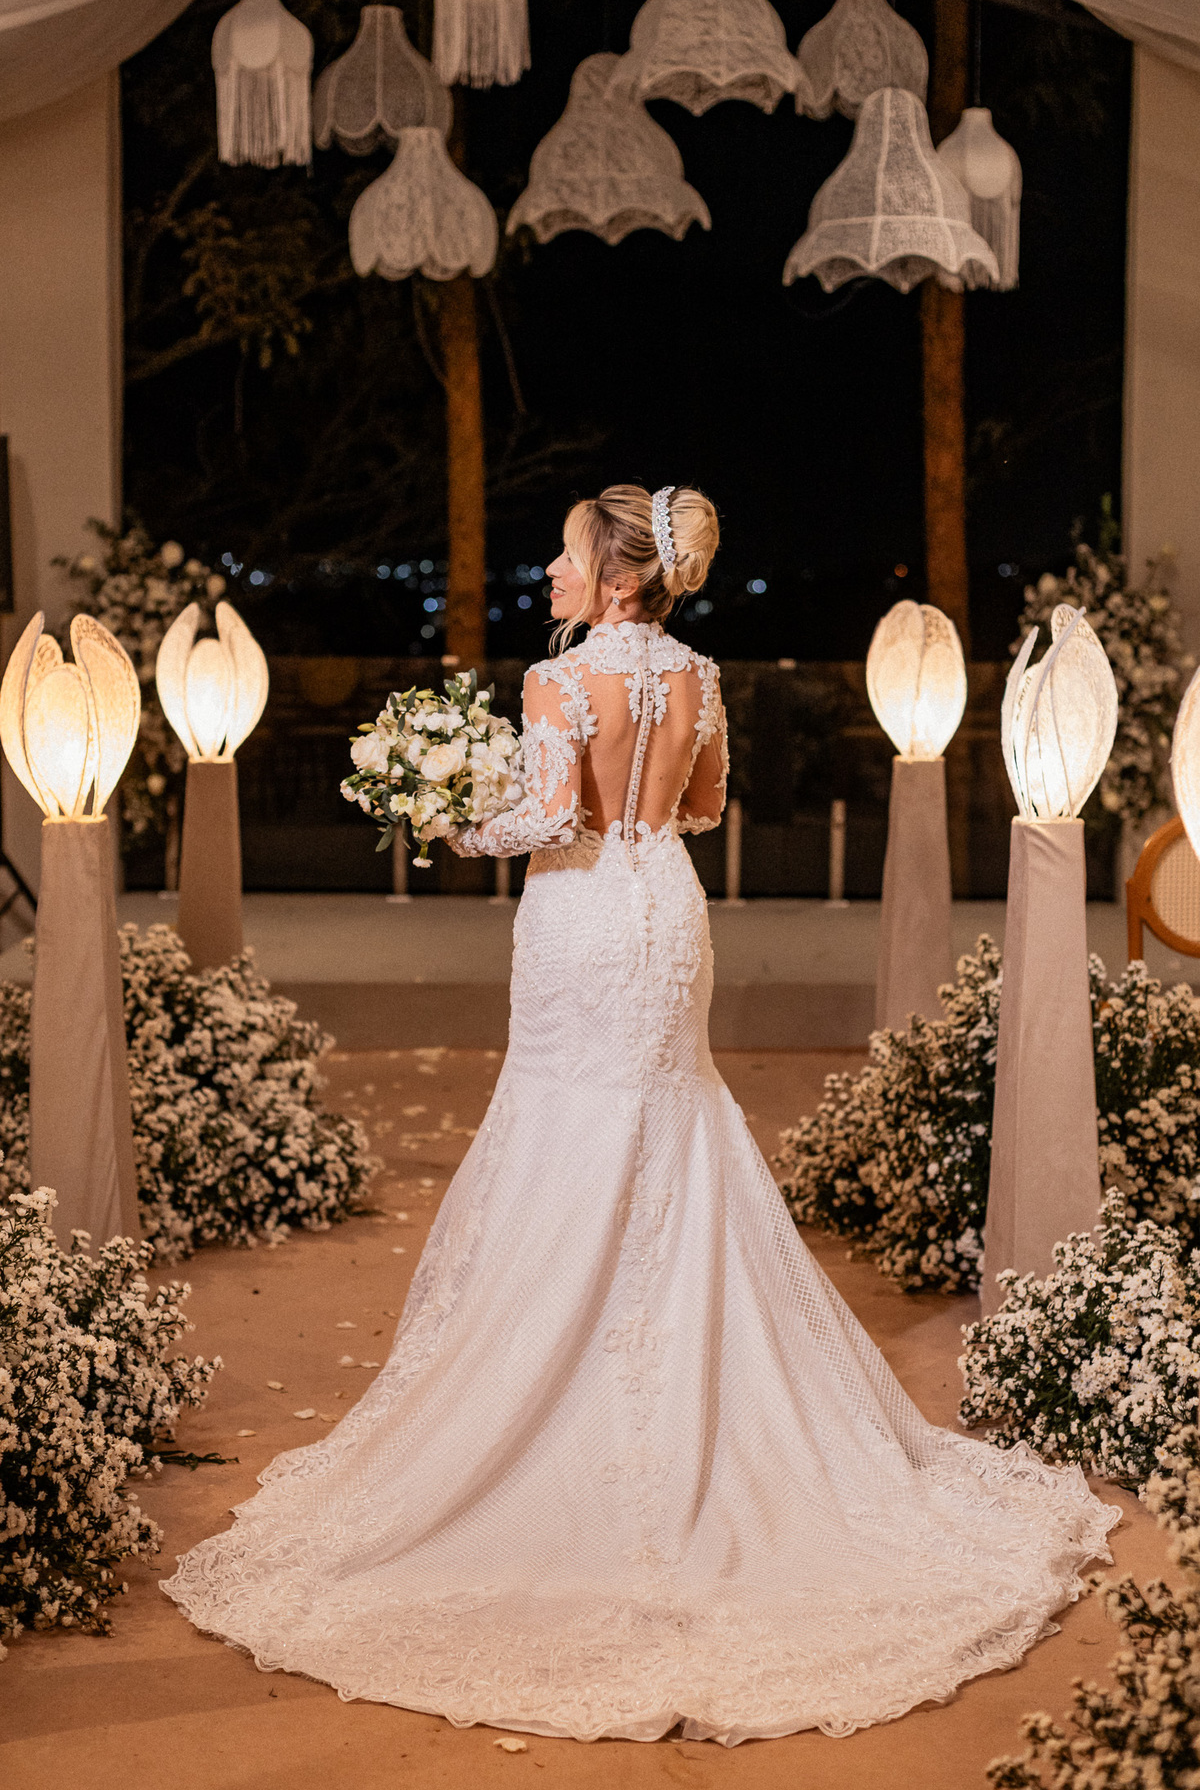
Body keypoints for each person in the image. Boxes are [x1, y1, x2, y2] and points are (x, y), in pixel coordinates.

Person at [164, 484, 1117, 1746]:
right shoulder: (705, 674)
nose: (547, 575)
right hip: (666, 910)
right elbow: (705, 806)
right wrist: (637, 805)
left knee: (569, 1117)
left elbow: (552, 816)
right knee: (673, 1118)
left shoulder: (558, 685)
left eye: (562, 559)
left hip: (577, 920)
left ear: (614, 580)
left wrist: (445, 814)